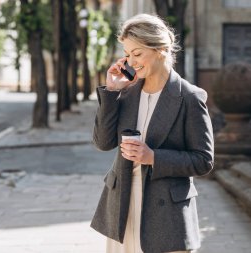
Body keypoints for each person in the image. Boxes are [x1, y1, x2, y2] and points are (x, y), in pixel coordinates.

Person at [90, 13, 214, 253]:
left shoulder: (190, 97)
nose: (131, 62)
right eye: (127, 54)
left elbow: (203, 160)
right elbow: (103, 143)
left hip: (166, 214)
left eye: (137, 54)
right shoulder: (126, 92)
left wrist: (153, 157)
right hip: (122, 205)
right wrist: (112, 91)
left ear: (161, 49)